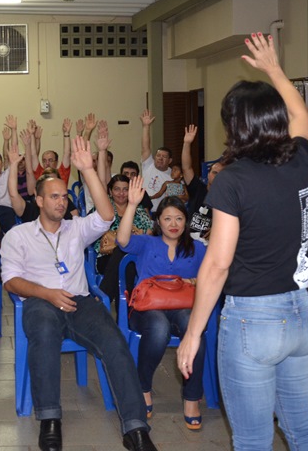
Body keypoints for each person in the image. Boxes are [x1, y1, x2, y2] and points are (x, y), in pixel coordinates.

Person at [177, 33, 308, 450]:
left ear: (235, 126)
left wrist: (193, 333)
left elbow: (218, 264)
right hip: (301, 314)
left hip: (253, 320)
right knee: (303, 431)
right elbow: (301, 113)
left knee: (254, 440)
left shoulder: (233, 180)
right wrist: (274, 68)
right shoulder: (299, 161)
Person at [1, 136, 158, 451]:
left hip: (80, 301)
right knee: (44, 336)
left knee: (115, 342)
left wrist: (87, 169)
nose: (61, 201)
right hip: (40, 303)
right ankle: (50, 420)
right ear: (40, 201)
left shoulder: (76, 228)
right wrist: (46, 293)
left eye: (63, 196)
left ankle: (136, 428)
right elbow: (11, 281)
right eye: (54, 196)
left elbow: (106, 216)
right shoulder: (18, 235)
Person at [116, 178, 207, 429]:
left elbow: (215, 274)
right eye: (167, 218)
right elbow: (122, 241)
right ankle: (143, 386)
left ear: (186, 222)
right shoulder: (147, 243)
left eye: (179, 218)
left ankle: (191, 397)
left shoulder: (197, 249)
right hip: (146, 308)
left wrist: (195, 279)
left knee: (193, 328)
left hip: (182, 307)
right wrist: (133, 205)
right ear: (158, 222)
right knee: (158, 327)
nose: (173, 224)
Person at [95, 174, 153, 302]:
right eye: (117, 189)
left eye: (125, 189)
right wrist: (130, 236)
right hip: (107, 257)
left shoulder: (138, 209)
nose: (121, 193)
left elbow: (150, 230)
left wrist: (120, 236)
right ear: (110, 191)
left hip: (134, 257)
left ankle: (104, 299)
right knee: (123, 253)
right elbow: (96, 237)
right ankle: (126, 310)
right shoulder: (103, 208)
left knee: (126, 256)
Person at [180, 125, 224, 242]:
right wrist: (187, 143)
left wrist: (217, 231)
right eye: (214, 173)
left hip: (212, 243)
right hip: (189, 241)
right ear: (208, 175)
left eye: (221, 174)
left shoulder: (227, 197)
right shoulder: (198, 189)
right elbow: (186, 168)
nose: (217, 177)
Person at [139, 110, 172, 212]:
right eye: (158, 155)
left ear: (170, 160)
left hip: (160, 213)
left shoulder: (173, 176)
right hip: (143, 211)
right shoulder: (149, 165)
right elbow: (145, 147)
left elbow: (179, 198)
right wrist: (146, 127)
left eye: (164, 157)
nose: (160, 158)